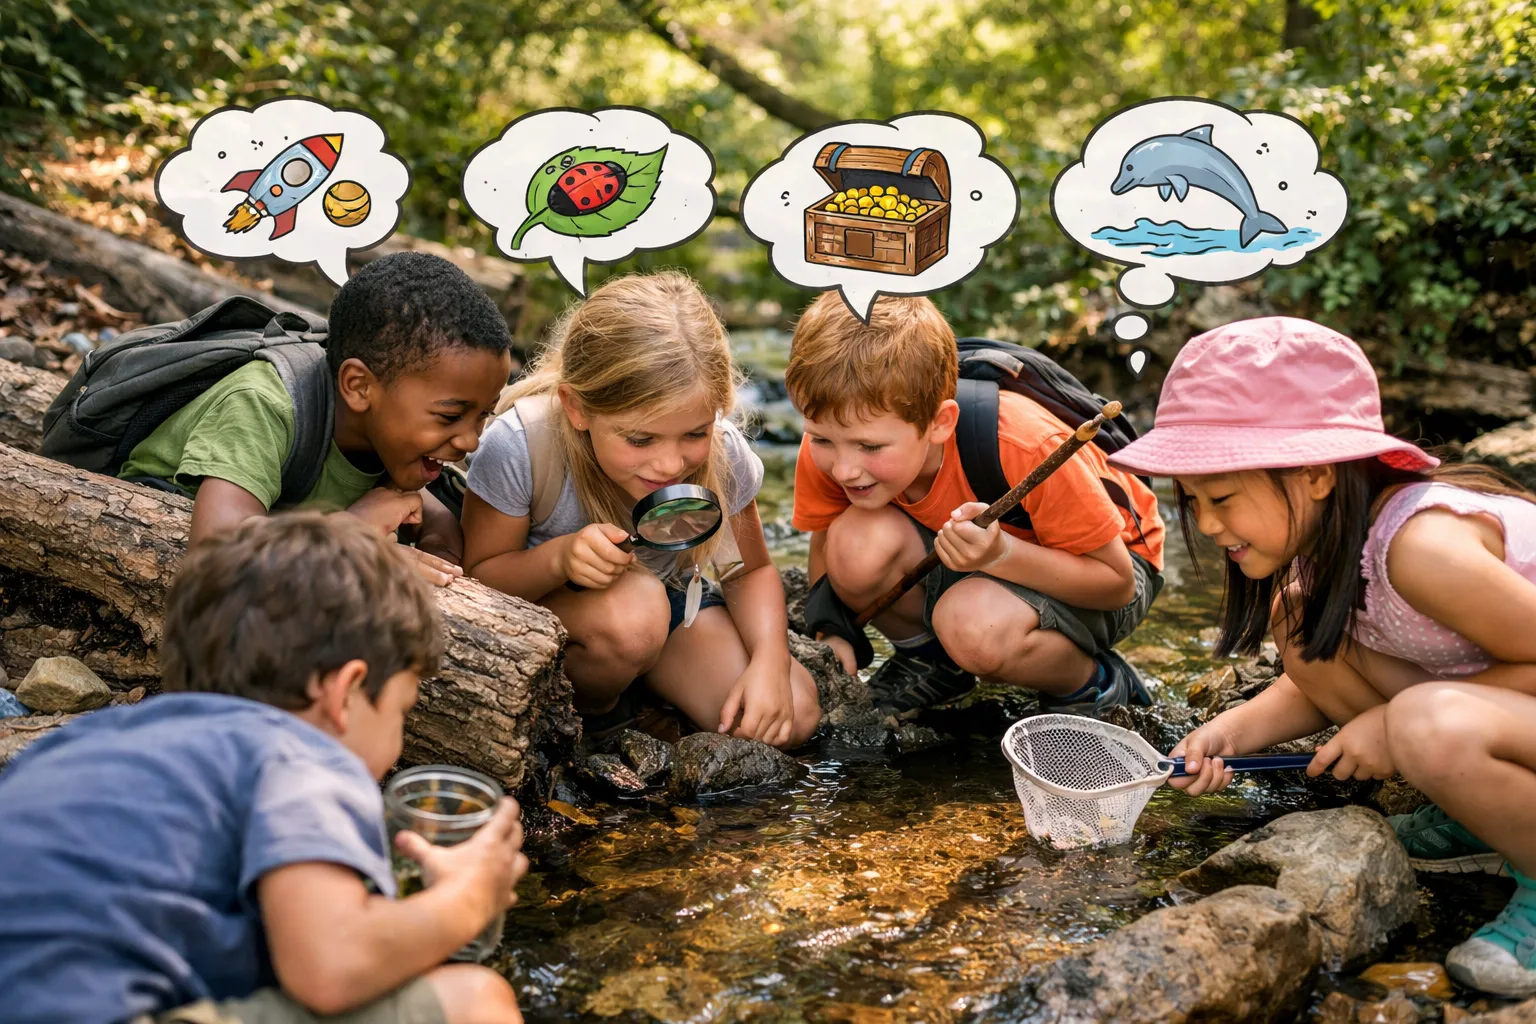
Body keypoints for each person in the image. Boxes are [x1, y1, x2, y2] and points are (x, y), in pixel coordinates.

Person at [1110, 316, 1536, 999]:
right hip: (1502, 713)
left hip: (1487, 708)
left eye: (1222, 498)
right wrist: (1228, 734)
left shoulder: (1423, 549)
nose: (1208, 524)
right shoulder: (1328, 554)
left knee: (1425, 722)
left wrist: (1396, 723)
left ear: (1313, 474)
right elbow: (1311, 681)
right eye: (1192, 500)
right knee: (1299, 619)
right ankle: (1485, 816)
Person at [0, 512, 528, 1024]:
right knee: (474, 1000)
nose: (398, 742)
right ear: (344, 693)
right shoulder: (299, 756)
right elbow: (331, 968)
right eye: (401, 712)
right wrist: (466, 899)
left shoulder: (93, 742)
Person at [461, 271, 821, 748]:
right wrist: (559, 559)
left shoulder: (723, 454)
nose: (670, 464)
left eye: (694, 433)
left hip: (667, 608)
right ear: (577, 408)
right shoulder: (521, 444)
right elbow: (480, 579)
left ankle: (644, 689)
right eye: (640, 439)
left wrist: (770, 662)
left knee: (791, 714)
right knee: (634, 617)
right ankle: (595, 721)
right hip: (556, 613)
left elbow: (746, 572)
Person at [786, 292, 1165, 714]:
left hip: (1107, 566)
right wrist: (831, 633)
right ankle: (932, 664)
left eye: (871, 447)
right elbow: (826, 541)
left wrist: (1001, 554)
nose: (843, 470)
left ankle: (1092, 682)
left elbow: (1116, 585)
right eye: (820, 439)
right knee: (854, 542)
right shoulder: (839, 433)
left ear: (940, 423)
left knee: (971, 625)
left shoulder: (1023, 444)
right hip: (979, 559)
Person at [118, 252, 515, 585]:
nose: (471, 441)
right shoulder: (265, 403)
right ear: (359, 387)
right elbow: (215, 549)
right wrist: (348, 537)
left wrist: (438, 563)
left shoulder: (386, 442)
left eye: (484, 414)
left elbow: (439, 520)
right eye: (450, 416)